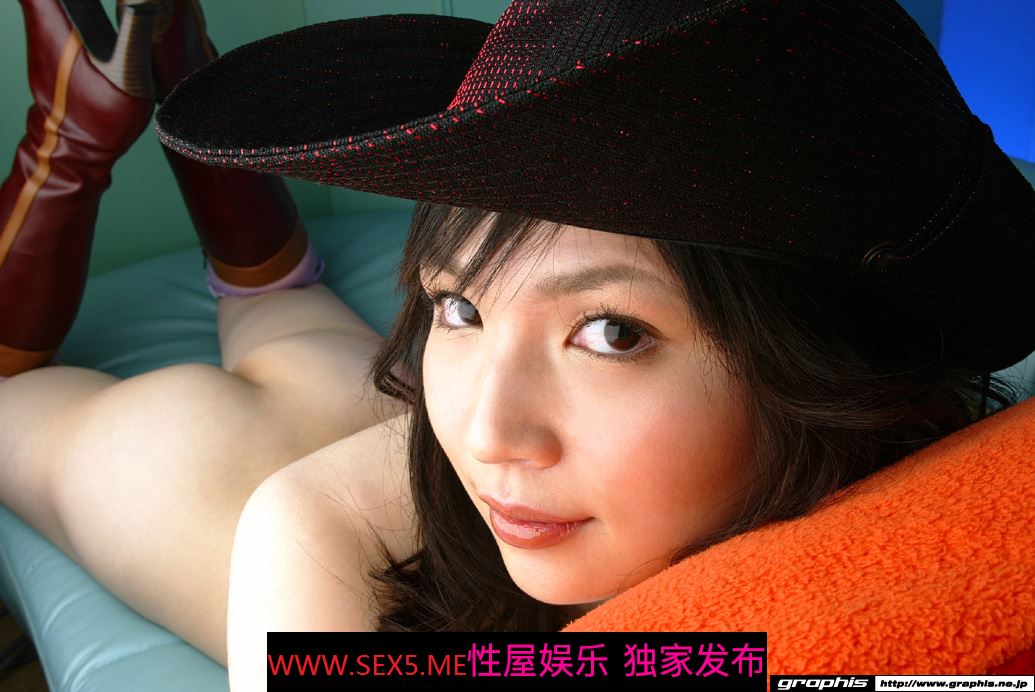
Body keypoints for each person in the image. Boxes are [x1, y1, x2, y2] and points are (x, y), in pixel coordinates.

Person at [2, 0, 1034, 688]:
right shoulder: (466, 437)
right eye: (456, 305)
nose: (485, 430)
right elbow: (298, 505)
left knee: (282, 310)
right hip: (246, 482)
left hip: (344, 481)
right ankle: (81, 125)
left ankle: (168, 99)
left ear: (839, 365)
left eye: (611, 333)